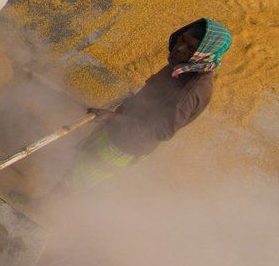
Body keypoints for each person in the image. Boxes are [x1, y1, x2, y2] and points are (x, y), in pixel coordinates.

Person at [60, 19, 232, 192]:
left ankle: (45, 205)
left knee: (75, 182)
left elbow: (161, 132)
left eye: (191, 48)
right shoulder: (183, 66)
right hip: (114, 127)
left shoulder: (190, 91)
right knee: (76, 158)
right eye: (182, 40)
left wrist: (113, 118)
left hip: (123, 145)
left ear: (204, 55)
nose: (180, 48)